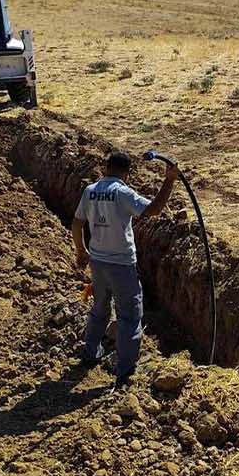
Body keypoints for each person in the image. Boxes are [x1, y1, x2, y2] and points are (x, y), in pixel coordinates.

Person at [71, 150, 178, 387]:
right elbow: (153, 210)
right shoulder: (122, 192)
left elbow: (77, 222)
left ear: (106, 168)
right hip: (121, 264)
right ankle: (125, 371)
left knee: (99, 309)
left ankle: (90, 354)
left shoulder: (90, 190)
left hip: (97, 263)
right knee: (129, 317)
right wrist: (169, 180)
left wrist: (81, 251)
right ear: (127, 174)